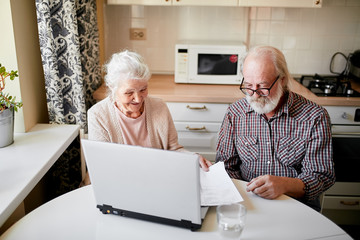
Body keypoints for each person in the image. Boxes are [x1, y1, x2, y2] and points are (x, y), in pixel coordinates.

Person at [215, 46, 335, 211]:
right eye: (249, 85)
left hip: (297, 206)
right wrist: (245, 195)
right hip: (247, 203)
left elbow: (322, 176)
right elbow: (226, 166)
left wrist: (286, 185)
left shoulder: (314, 117)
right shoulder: (235, 113)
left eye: (263, 87)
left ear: (283, 80)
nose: (255, 95)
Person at [83, 50, 211, 185]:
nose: (138, 99)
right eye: (129, 92)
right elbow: (103, 165)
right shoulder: (98, 114)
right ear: (112, 87)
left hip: (157, 180)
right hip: (118, 183)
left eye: (143, 89)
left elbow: (173, 148)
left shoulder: (159, 106)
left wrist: (193, 157)